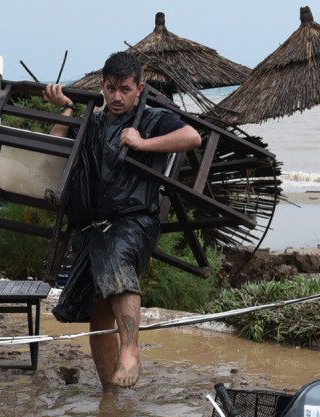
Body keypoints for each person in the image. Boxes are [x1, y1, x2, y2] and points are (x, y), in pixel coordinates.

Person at [43, 52, 201, 392]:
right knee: (98, 312)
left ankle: (131, 349)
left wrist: (143, 142)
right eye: (111, 88)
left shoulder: (152, 118)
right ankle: (110, 395)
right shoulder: (91, 120)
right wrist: (66, 108)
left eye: (125, 89)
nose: (117, 97)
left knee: (118, 258)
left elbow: (192, 137)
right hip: (90, 225)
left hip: (133, 220)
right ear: (102, 85)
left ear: (139, 89)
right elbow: (54, 148)